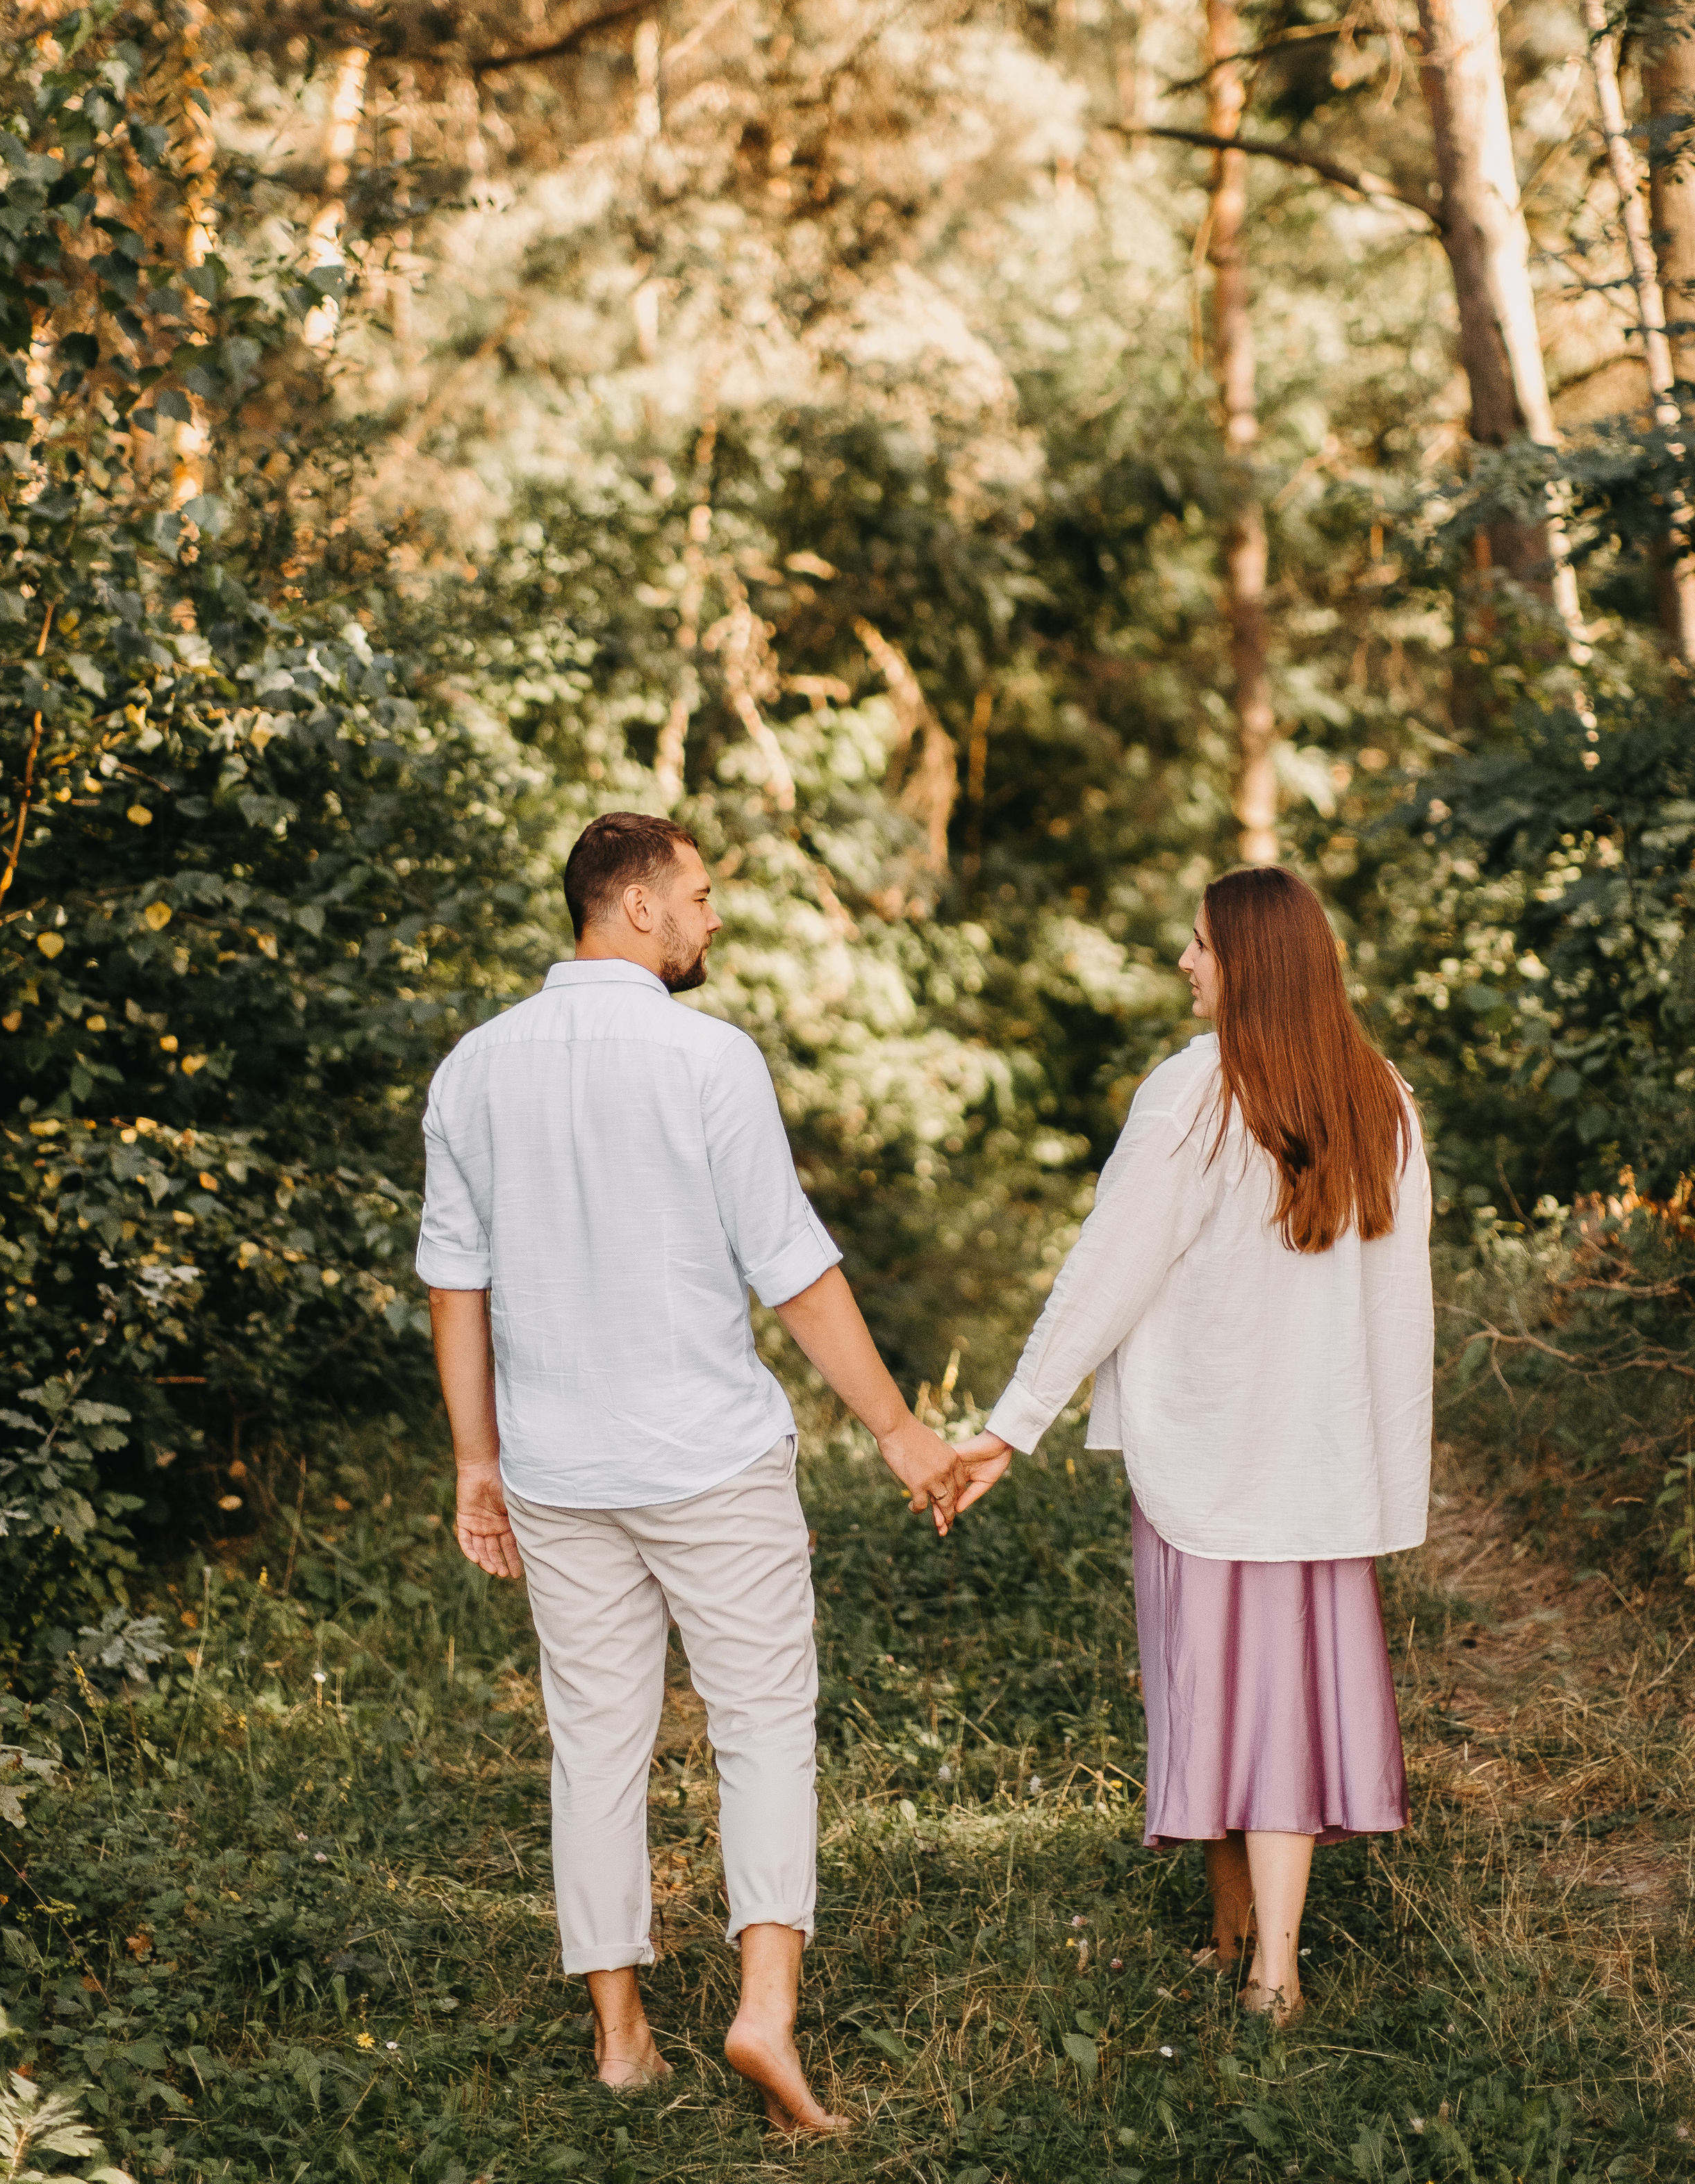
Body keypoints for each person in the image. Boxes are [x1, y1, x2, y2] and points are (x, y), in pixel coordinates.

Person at [417, 811, 966, 2131]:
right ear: (638, 906)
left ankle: (622, 2041)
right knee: (762, 1725)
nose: (716, 917)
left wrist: (477, 1462)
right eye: (703, 895)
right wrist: (900, 1430)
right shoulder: (708, 1058)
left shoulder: (473, 1068)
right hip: (709, 1457)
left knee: (594, 1744)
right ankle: (763, 2013)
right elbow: (791, 1266)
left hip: (557, 1469)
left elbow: (455, 1281)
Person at [956, 866, 1432, 2024]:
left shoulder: (1196, 1093)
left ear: (1251, 963)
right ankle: (1247, 1946)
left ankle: (1273, 1971)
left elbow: (1105, 1274)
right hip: (1323, 1463)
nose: (1184, 962)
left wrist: (1012, 1423)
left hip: (1216, 1457)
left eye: (1202, 945)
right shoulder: (1381, 1097)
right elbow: (1401, 1299)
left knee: (1225, 1702)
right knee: (1286, 1708)